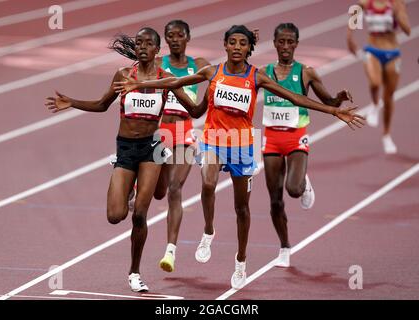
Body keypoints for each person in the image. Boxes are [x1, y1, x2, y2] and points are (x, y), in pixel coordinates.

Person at [114, 25, 365, 289]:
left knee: (241, 209)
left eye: (242, 43)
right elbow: (174, 82)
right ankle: (209, 231)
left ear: (248, 48)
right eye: (231, 42)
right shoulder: (213, 72)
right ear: (225, 45)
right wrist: (140, 83)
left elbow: (294, 97)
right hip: (214, 139)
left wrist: (333, 111)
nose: (236, 47)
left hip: (242, 144)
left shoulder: (256, 77)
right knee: (208, 182)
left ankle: (241, 260)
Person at [45, 27, 201, 292]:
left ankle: (135, 272)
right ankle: (128, 184)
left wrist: (213, 91)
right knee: (115, 215)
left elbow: (196, 110)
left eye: (148, 43)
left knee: (140, 215)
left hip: (151, 148)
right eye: (138, 42)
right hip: (126, 148)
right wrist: (71, 102)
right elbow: (102, 104)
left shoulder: (166, 79)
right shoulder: (123, 74)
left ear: (156, 50)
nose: (141, 47)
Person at [261, 23, 353, 268]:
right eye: (282, 41)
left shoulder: (306, 72)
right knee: (275, 200)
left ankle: (303, 182)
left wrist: (339, 99)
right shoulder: (263, 72)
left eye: (291, 42)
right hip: (271, 138)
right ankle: (284, 247)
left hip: (295, 137)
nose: (286, 47)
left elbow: (328, 100)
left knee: (292, 189)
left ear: (296, 45)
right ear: (275, 44)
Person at [153, 20, 210, 273]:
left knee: (176, 188)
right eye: (170, 36)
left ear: (188, 37)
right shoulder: (158, 64)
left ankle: (170, 251)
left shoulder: (197, 64)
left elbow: (223, 71)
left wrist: (247, 46)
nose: (174, 40)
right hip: (161, 133)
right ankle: (135, 186)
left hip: (185, 132)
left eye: (179, 35)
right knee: (159, 193)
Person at [347, 0, 411, 154]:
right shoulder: (366, 2)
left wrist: (398, 14)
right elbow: (355, 12)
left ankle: (386, 135)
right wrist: (350, 36)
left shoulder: (396, 3)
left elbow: (408, 30)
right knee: (375, 83)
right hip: (372, 50)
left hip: (392, 53)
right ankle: (375, 105)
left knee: (389, 97)